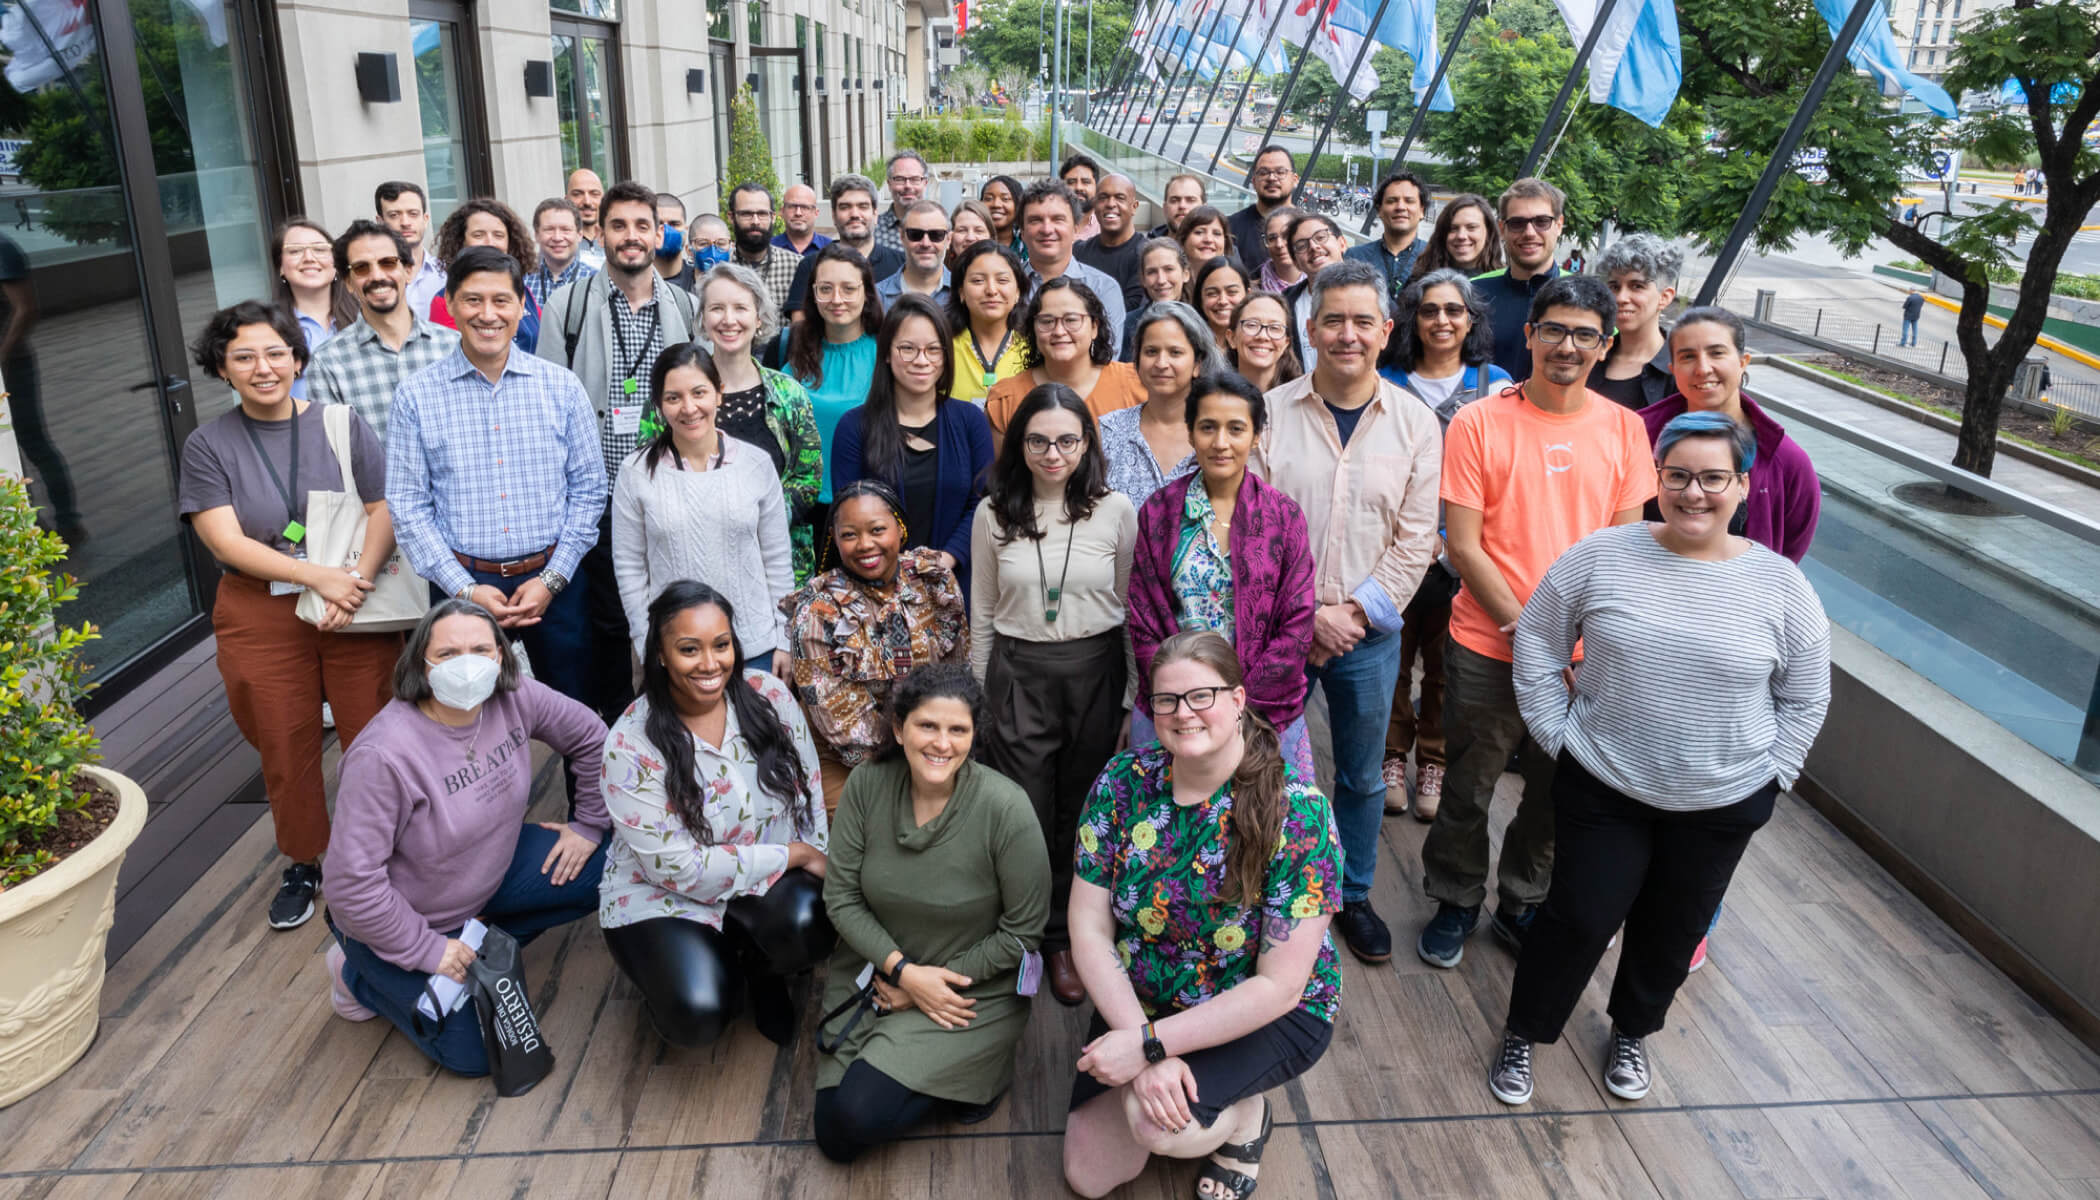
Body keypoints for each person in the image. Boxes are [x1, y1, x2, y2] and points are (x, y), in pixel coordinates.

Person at [1485, 413, 1831, 1107]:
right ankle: (1525, 1031)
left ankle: (1632, 1030)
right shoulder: (1600, 556)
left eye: (1712, 478)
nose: (1693, 492)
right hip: (1607, 782)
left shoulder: (1780, 586)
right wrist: (1559, 736)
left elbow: (1807, 695)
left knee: (1672, 930)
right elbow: (1539, 647)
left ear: (1741, 485)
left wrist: (1774, 775)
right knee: (1578, 918)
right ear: (1657, 479)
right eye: (1678, 476)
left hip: (1722, 798)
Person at [1416, 274, 1656, 972]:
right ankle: (1455, 898)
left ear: (1605, 345)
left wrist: (1575, 645)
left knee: (1557, 795)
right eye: (1554, 329)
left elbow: (1621, 554)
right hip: (1487, 644)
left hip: (1584, 659)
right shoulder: (1479, 421)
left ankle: (1521, 898)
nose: (1567, 345)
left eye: (1585, 334)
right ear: (1530, 335)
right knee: (1468, 784)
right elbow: (1463, 545)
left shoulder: (1623, 431)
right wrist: (1530, 632)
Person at [1061, 631, 1340, 1200]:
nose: (1182, 713)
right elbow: (1088, 927)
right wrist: (1141, 1037)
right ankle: (1192, 1092)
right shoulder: (1121, 784)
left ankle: (1244, 1123)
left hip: (1261, 1008)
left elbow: (1279, 986)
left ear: (1238, 700)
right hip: (1146, 995)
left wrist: (1148, 1049)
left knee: (1157, 1124)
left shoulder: (1301, 814)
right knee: (1087, 1177)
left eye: (1201, 697)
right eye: (1166, 700)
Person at [179, 299, 404, 929]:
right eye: (244, 356)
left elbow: (382, 508)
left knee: (375, 732)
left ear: (298, 358)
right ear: (222, 369)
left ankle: (380, 851)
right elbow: (226, 542)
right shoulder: (208, 445)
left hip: (355, 601)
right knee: (283, 737)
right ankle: (306, 857)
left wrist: (351, 581)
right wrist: (319, 579)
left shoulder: (341, 422)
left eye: (276, 352)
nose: (263, 367)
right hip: (263, 611)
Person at [322, 601, 609, 1074]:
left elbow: (591, 736)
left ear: (501, 655)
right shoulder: (383, 755)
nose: (467, 663)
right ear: (420, 662)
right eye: (449, 652)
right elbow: (351, 885)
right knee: (479, 1052)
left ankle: (475, 944)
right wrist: (430, 949)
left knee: (609, 869)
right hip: (409, 917)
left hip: (490, 871)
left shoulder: (515, 696)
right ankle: (356, 974)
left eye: (480, 649)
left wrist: (589, 824)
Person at [1262, 258, 1444, 967]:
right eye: (1332, 320)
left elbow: (1417, 539)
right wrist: (1308, 616)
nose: (1347, 334)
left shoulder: (1416, 425)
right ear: (1309, 329)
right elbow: (1254, 527)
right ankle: (1272, 886)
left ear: (1386, 330)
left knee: (1363, 775)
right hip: (1280, 630)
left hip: (1368, 637)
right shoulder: (1271, 413)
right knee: (1263, 765)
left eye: (1362, 321)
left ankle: (1353, 893)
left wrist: (1353, 618)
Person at [812, 664, 1051, 1163]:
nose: (941, 743)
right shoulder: (866, 787)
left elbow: (1022, 933)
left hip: (970, 987)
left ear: (973, 736)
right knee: (834, 1137)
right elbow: (841, 899)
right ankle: (929, 1076)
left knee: (857, 1116)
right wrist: (903, 972)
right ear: (899, 729)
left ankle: (979, 1077)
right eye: (927, 726)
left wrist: (925, 987)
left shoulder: (1006, 809)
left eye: (957, 729)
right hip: (880, 968)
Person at [599, 581, 833, 1048]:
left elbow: (809, 794)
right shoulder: (630, 744)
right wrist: (797, 854)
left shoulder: (769, 696)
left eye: (721, 645)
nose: (710, 664)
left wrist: (818, 857)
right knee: (698, 1013)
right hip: (665, 893)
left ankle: (759, 967)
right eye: (689, 649)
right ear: (661, 655)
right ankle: (698, 965)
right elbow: (680, 870)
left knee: (814, 921)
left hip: (761, 878)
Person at [388, 247, 608, 720]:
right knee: (461, 718)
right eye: (472, 300)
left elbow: (589, 491)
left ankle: (583, 798)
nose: (488, 315)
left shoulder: (562, 387)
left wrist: (552, 579)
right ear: (449, 303)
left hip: (555, 580)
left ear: (522, 305)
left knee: (573, 713)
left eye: (501, 301)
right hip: (461, 582)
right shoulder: (417, 395)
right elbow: (407, 506)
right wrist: (463, 589)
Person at [971, 384, 1138, 1007]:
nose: (1052, 453)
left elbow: (1127, 609)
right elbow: (982, 611)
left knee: (1081, 807)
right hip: (1019, 671)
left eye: (1067, 440)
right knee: (1025, 809)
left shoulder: (1117, 509)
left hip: (1095, 671)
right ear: (1020, 445)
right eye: (1038, 440)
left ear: (1086, 443)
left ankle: (1071, 936)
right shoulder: (994, 512)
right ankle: (1027, 934)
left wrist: (1130, 700)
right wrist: (981, 698)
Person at [1127, 372, 1317, 779]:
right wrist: (1189, 700)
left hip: (1264, 712)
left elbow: (1297, 624)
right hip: (1174, 710)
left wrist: (1235, 705)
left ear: (1256, 436)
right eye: (1208, 427)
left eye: (1236, 429)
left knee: (1264, 832)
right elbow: (1144, 619)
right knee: (1170, 832)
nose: (1220, 442)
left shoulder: (1283, 516)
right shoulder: (1159, 512)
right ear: (1191, 432)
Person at [1372, 269, 1512, 822]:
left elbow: (1503, 476)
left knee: (1446, 669)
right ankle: (1391, 755)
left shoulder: (1496, 383)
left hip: (1467, 557)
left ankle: (1432, 759)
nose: (1441, 321)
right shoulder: (1387, 379)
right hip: (1397, 551)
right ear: (1413, 318)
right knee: (1393, 664)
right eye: (1429, 310)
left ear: (1471, 319)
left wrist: (1454, 543)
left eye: (1453, 310)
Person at [783, 479, 969, 812]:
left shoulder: (934, 581)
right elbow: (843, 728)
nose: (864, 544)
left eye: (877, 530)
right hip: (848, 760)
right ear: (835, 541)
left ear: (899, 529)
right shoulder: (818, 611)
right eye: (849, 535)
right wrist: (919, 761)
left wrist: (938, 750)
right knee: (878, 835)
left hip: (933, 745)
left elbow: (958, 678)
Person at [613, 342, 793, 677]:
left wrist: (784, 638)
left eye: (699, 393)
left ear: (718, 393)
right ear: (659, 405)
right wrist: (645, 642)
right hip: (676, 650)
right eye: (673, 398)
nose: (689, 408)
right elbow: (629, 569)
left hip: (753, 645)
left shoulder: (755, 465)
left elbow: (777, 559)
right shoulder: (635, 472)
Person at [831, 294, 995, 579]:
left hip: (956, 585)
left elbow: (985, 502)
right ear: (886, 352)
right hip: (878, 591)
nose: (922, 360)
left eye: (933, 349)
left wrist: (947, 558)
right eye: (908, 349)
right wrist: (902, 568)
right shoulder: (854, 426)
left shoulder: (970, 420)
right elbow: (849, 514)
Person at [1644, 306, 1821, 562]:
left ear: (1742, 362)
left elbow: (1790, 550)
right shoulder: (1638, 435)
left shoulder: (1786, 462)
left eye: (1716, 353)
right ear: (1673, 368)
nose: (1703, 368)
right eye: (1687, 357)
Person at [697, 262, 826, 582]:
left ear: (758, 318)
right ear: (702, 318)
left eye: (740, 308)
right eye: (717, 308)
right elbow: (654, 472)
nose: (729, 319)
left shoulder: (788, 394)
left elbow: (809, 478)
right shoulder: (680, 393)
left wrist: (756, 518)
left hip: (778, 566)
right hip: (700, 565)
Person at [307, 220, 462, 444]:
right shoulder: (328, 363)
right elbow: (333, 452)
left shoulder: (454, 346)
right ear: (349, 282)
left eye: (388, 263)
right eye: (361, 268)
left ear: (408, 271)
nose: (377, 276)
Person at [785, 243, 884, 506]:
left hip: (866, 503)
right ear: (813, 294)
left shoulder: (888, 353)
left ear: (867, 293)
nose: (836, 299)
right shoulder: (791, 349)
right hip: (803, 507)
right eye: (825, 289)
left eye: (849, 289)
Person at [987, 277, 1145, 439]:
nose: (1059, 331)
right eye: (1047, 321)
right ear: (1033, 329)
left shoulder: (1136, 384)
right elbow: (1003, 464)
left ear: (1094, 327)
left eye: (1071, 320)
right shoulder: (1006, 400)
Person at [1101, 302, 1218, 509]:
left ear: (1197, 364)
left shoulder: (1218, 434)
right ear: (1136, 361)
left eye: (1175, 353)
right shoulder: (1109, 430)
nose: (1161, 363)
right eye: (1151, 351)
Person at [0, 230, 77, 543]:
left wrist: (2, 359)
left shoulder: (2, 248)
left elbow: (26, 308)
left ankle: (69, 524)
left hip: (11, 367)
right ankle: (32, 528)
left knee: (31, 443)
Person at [1021, 180, 1129, 352]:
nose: (1047, 229)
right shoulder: (1005, 287)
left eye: (1058, 219)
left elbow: (1105, 358)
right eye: (1036, 220)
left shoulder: (1103, 289)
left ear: (1076, 229)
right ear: (1022, 231)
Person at [1475, 178, 1566, 380]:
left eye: (1542, 222)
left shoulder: (1586, 296)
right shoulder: (1474, 294)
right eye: (1517, 223)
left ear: (1559, 225)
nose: (1529, 233)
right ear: (1502, 228)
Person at [427, 198, 543, 352]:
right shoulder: (444, 301)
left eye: (498, 235)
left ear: (511, 243)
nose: (490, 242)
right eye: (478, 235)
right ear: (461, 241)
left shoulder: (525, 295)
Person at [787, 175, 906, 317]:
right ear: (833, 215)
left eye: (863, 206)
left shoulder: (902, 265)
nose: (855, 214)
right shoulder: (810, 266)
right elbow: (800, 327)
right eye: (845, 207)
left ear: (875, 214)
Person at [1588, 233, 1681, 410]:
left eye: (1637, 286)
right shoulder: (1589, 357)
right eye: (1614, 286)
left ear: (1665, 297)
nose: (1621, 298)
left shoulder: (1683, 370)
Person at [271, 218, 355, 401]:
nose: (309, 258)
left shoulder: (365, 318)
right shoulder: (269, 329)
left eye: (319, 249)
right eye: (294, 251)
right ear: (280, 268)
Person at [945, 240, 1030, 407]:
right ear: (961, 291)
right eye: (978, 281)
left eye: (1002, 280)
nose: (991, 290)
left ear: (1018, 292)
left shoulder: (1034, 348)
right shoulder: (942, 346)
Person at [1344, 171, 1431, 309]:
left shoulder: (1436, 257)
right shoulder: (1355, 258)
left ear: (1422, 211)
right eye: (1391, 201)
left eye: (1409, 201)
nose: (1401, 207)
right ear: (1379, 210)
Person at [1074, 173, 1146, 318]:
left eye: (1120, 198)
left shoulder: (1146, 255)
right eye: (1103, 198)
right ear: (1095, 205)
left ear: (1134, 207)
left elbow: (1131, 307)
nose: (1111, 204)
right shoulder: (1078, 252)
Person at [1282, 214, 1346, 371]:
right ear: (1296, 262)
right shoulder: (1285, 304)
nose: (1313, 247)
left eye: (1321, 237)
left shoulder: (1373, 295)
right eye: (1301, 246)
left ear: (1342, 243)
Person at [376, 181, 448, 318]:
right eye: (394, 215)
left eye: (413, 214)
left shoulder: (447, 273)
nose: (405, 223)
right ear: (380, 222)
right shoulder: (370, 278)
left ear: (425, 219)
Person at [729, 183, 801, 316]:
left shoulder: (796, 266)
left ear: (773, 217)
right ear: (731, 217)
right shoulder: (721, 266)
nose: (755, 221)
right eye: (746, 214)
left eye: (762, 213)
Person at [1228, 145, 1298, 273]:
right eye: (1264, 172)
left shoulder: (1310, 227)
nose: (1271, 178)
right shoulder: (1230, 228)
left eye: (1280, 172)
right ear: (1254, 181)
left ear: (1294, 179)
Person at [1408, 192, 1502, 283]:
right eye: (1453, 228)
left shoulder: (1504, 282)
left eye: (1471, 227)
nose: (1461, 236)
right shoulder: (1421, 283)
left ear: (1489, 232)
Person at [875, 199, 953, 307]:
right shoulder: (876, 298)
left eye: (936, 235)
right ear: (901, 236)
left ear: (949, 239)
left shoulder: (964, 293)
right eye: (915, 234)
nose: (925, 243)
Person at [1224, 291, 1301, 394]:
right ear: (1231, 338)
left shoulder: (1303, 398)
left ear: (1286, 343)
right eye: (1251, 325)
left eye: (1274, 327)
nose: (1262, 336)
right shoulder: (1213, 398)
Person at [527, 198, 598, 307]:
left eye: (566, 229)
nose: (557, 237)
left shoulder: (597, 282)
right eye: (549, 229)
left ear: (579, 235)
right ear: (536, 235)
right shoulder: (523, 281)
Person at [874, 150, 932, 255]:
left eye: (915, 179)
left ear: (925, 183)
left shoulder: (940, 226)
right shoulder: (873, 230)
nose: (908, 186)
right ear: (889, 183)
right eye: (900, 179)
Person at [1192, 256, 1253, 351]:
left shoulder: (1258, 342)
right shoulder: (1188, 342)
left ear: (1248, 295)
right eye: (1212, 293)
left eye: (1232, 292)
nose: (1223, 301)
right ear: (1200, 298)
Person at [653, 192, 699, 292]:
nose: (666, 230)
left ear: (686, 230)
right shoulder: (634, 281)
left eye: (674, 224)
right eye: (658, 224)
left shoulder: (700, 280)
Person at [1256, 206, 1305, 295]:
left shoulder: (1321, 283)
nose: (1279, 244)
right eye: (1272, 238)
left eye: (1286, 235)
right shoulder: (1252, 287)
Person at [775, 183, 832, 256]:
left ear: (816, 213)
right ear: (782, 211)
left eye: (805, 207)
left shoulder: (831, 249)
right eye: (792, 206)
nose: (798, 213)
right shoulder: (767, 249)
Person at [1174, 206, 1235, 273]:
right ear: (1183, 239)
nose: (1208, 239)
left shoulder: (1240, 282)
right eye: (1199, 232)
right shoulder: (1165, 280)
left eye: (1217, 233)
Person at [566, 168, 608, 266]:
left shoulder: (616, 241)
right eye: (577, 194)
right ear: (566, 200)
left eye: (594, 194)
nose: (587, 202)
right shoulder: (558, 246)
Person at [981, 174, 1026, 259]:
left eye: (1005, 199)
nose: (996, 204)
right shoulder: (971, 245)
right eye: (988, 198)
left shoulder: (1028, 250)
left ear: (1018, 205)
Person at [1150, 172, 1207, 238]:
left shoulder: (1219, 246)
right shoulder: (1144, 246)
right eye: (1174, 200)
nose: (1182, 206)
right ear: (1165, 208)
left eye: (1191, 200)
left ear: (1204, 208)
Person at [1061, 152, 1104, 239]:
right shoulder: (1049, 225)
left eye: (1086, 182)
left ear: (1097, 187)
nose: (1078, 187)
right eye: (1071, 182)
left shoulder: (1106, 227)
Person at [946, 198, 995, 271]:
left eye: (979, 231)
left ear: (991, 237)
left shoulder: (1005, 276)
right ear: (950, 237)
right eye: (962, 230)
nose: (970, 238)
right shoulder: (937, 277)